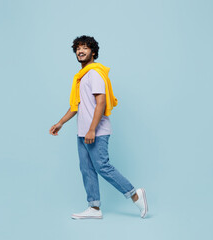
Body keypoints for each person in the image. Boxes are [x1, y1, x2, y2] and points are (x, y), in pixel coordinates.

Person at [49, 35, 148, 219]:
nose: (81, 50)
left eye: (85, 47)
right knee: (86, 168)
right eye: (78, 48)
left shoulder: (94, 73)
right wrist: (60, 123)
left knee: (102, 166)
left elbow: (101, 103)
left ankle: (135, 195)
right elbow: (76, 106)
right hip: (83, 132)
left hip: (96, 131)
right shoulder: (82, 77)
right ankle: (94, 208)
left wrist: (92, 129)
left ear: (93, 52)